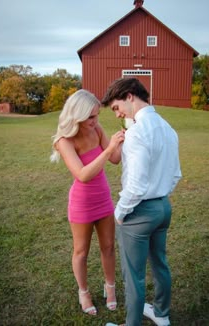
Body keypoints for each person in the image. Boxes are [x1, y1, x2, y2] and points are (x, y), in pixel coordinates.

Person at [101, 78, 182, 326]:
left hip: (139, 211)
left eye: (116, 107)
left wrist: (120, 212)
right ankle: (161, 313)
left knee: (133, 274)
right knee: (160, 263)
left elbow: (135, 186)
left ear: (129, 96)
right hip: (163, 206)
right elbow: (175, 174)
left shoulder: (137, 133)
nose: (117, 114)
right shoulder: (168, 128)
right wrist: (160, 195)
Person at [50, 89, 125, 316]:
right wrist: (109, 148)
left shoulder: (97, 129)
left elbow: (115, 159)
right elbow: (82, 174)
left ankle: (109, 287)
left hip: (103, 199)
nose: (95, 121)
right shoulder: (64, 141)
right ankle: (83, 292)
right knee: (81, 251)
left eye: (97, 116)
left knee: (108, 247)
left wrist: (121, 140)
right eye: (91, 117)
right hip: (82, 203)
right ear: (77, 116)